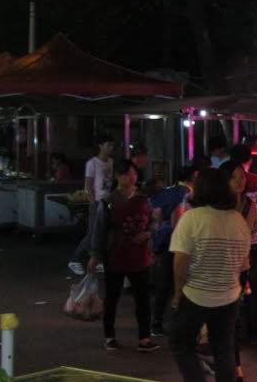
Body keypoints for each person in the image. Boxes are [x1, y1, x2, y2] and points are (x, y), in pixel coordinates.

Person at [170, 166, 251, 382]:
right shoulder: (238, 221)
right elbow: (244, 262)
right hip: (229, 296)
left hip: (196, 294)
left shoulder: (192, 219)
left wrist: (178, 293)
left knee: (181, 343)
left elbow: (180, 262)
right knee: (223, 349)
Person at [89, 159, 160, 353]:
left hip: (140, 255)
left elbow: (154, 221)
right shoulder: (108, 202)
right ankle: (109, 336)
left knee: (143, 298)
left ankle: (144, 337)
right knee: (112, 297)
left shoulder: (145, 199)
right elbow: (99, 230)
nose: (133, 177)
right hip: (116, 255)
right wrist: (95, 255)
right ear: (119, 177)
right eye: (128, 174)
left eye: (134, 174)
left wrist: (148, 233)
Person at [229, 143, 257, 345]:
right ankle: (254, 333)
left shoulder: (224, 180)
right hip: (252, 244)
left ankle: (234, 333)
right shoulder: (254, 180)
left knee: (234, 288)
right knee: (253, 288)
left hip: (230, 244)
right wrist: (252, 223)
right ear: (249, 160)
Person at [149, 164, 196, 337]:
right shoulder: (185, 193)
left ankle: (157, 323)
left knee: (164, 285)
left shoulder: (171, 190)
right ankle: (169, 325)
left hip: (163, 242)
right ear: (194, 175)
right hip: (175, 244)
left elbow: (156, 213)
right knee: (176, 284)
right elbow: (178, 219)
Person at [68, 136, 115, 275]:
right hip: (97, 202)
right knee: (92, 234)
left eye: (112, 145)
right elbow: (88, 185)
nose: (111, 148)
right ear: (101, 146)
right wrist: (92, 202)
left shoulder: (111, 162)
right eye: (108, 145)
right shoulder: (92, 163)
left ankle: (98, 261)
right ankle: (75, 259)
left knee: (103, 233)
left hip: (107, 201)